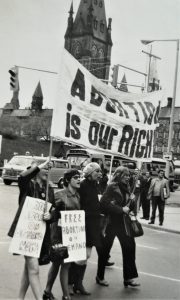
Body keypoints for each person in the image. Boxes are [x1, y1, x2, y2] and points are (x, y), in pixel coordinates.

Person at [8, 160, 56, 300]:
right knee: (34, 269)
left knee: (28, 268)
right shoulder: (28, 185)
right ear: (36, 170)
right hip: (26, 233)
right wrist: (40, 165)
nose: (47, 169)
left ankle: (20, 298)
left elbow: (54, 210)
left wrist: (50, 215)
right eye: (44, 168)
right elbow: (22, 177)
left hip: (40, 234)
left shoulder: (49, 189)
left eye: (48, 168)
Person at [98, 166, 140, 288]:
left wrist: (132, 201)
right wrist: (121, 209)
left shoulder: (128, 188)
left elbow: (129, 207)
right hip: (111, 223)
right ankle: (100, 276)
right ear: (119, 175)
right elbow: (103, 204)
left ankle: (128, 278)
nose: (127, 177)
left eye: (128, 175)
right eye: (125, 175)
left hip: (124, 224)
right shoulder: (112, 186)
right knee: (104, 251)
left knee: (130, 248)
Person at [43, 169, 81, 300]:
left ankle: (55, 293)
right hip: (58, 234)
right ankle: (58, 294)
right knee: (57, 263)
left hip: (71, 234)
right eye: (76, 177)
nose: (79, 179)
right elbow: (52, 211)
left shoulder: (78, 196)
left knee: (65, 263)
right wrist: (50, 215)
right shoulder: (59, 195)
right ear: (67, 180)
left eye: (79, 177)